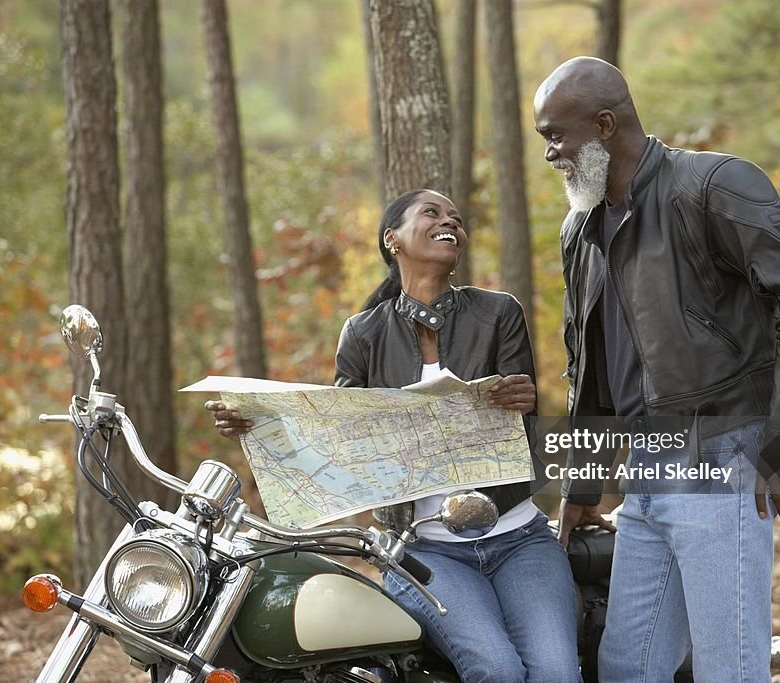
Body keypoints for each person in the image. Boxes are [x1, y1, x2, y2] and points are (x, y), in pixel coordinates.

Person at [532, 57, 780, 682]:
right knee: (629, 667)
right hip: (645, 470)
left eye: (555, 137)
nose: (550, 155)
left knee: (726, 666)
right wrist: (583, 488)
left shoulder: (710, 186)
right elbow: (589, 368)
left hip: (720, 451)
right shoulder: (580, 230)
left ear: (602, 125)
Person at [208, 189, 581, 683]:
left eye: (456, 217)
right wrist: (255, 425)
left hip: (519, 537)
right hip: (423, 552)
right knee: (497, 671)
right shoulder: (362, 334)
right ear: (393, 240)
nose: (450, 220)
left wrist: (524, 403)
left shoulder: (498, 313)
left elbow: (524, 434)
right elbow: (339, 442)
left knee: (557, 673)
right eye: (432, 212)